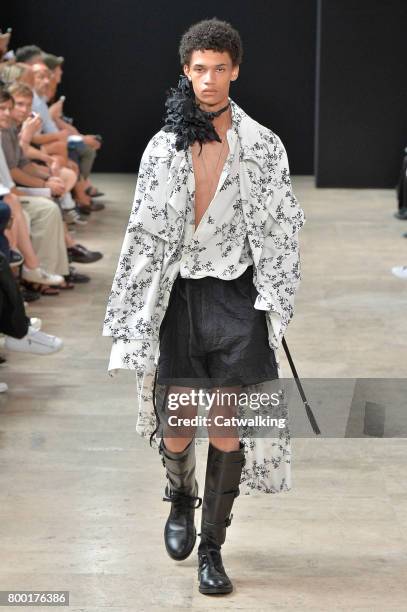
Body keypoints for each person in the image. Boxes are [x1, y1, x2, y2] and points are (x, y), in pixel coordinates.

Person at [103, 18, 306, 596]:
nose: (210, 80)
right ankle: (179, 498)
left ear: (235, 70)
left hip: (237, 294)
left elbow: (283, 228)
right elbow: (141, 230)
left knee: (224, 422)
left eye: (220, 69)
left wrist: (275, 297)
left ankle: (213, 550)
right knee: (176, 424)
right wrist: (132, 311)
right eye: (199, 69)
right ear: (185, 72)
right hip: (178, 294)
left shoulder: (263, 145)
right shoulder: (162, 146)